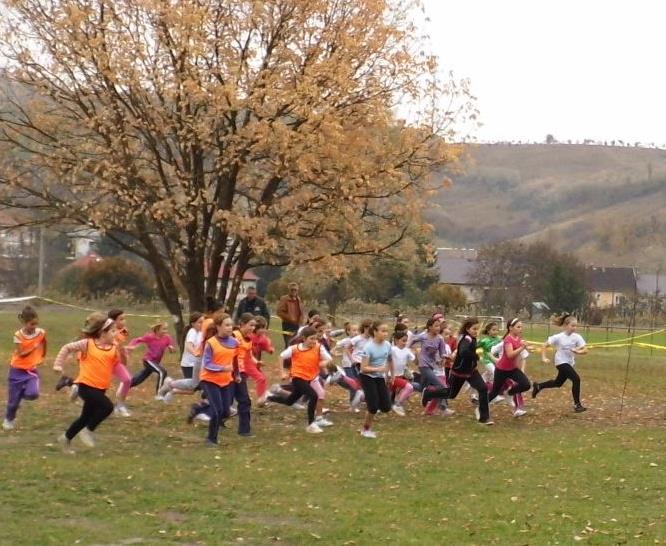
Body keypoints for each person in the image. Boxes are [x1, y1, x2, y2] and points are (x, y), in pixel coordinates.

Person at [53, 313, 123, 451]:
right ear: (103, 333)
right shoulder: (87, 344)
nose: (116, 334)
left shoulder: (113, 349)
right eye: (113, 331)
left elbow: (115, 365)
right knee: (107, 407)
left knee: (84, 417)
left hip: (101, 388)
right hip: (85, 385)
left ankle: (66, 438)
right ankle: (88, 430)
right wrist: (58, 364)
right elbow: (67, 348)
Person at [268, 326, 332, 434]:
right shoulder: (295, 348)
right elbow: (281, 356)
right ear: (304, 338)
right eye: (311, 338)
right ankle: (311, 424)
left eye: (315, 338)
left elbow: (329, 360)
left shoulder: (318, 347)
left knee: (290, 401)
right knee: (314, 395)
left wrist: (320, 364)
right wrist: (282, 372)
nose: (314, 341)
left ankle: (269, 397)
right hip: (297, 377)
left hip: (310, 377)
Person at [533, 313, 588, 412]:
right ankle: (577, 405)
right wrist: (544, 357)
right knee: (576, 379)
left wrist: (578, 351)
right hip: (560, 362)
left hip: (570, 362)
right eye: (572, 325)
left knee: (558, 383)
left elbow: (585, 350)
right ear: (566, 325)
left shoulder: (577, 337)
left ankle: (538, 386)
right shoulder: (559, 337)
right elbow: (544, 345)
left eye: (576, 326)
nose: (574, 328)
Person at [3, 305, 46, 431]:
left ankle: (22, 396)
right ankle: (9, 419)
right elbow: (21, 353)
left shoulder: (41, 332)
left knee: (33, 394)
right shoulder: (17, 335)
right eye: (32, 324)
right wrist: (34, 348)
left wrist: (42, 356)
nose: (34, 327)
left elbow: (44, 342)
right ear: (24, 322)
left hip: (31, 370)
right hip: (16, 369)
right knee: (13, 402)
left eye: (36, 324)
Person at [199, 313, 239, 446]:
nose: (229, 328)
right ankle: (211, 439)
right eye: (226, 325)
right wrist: (222, 368)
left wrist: (236, 374)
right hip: (209, 380)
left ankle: (201, 409)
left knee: (226, 412)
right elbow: (207, 364)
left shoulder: (234, 342)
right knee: (217, 411)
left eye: (231, 325)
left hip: (226, 381)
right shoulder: (211, 343)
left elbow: (235, 359)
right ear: (218, 327)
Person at [487, 318, 532, 416]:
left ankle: (509, 392)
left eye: (521, 327)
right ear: (511, 328)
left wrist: (528, 347)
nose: (521, 329)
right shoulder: (508, 339)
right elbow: (510, 354)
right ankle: (483, 405)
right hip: (501, 369)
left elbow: (521, 347)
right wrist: (522, 348)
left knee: (526, 384)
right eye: (518, 327)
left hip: (513, 369)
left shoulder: (518, 338)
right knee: (495, 392)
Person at [358, 321, 393, 439]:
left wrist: (391, 375)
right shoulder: (368, 347)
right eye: (383, 331)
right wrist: (379, 369)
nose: (385, 333)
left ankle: (363, 397)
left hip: (379, 377)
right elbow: (363, 368)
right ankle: (366, 429)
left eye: (387, 331)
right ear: (375, 332)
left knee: (386, 407)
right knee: (373, 407)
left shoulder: (388, 345)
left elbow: (390, 360)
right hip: (367, 377)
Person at [128, 321, 176, 399]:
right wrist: (131, 347)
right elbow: (137, 340)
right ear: (157, 330)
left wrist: (171, 348)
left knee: (141, 377)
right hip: (148, 360)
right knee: (162, 372)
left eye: (166, 329)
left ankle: (127, 385)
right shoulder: (150, 337)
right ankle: (159, 395)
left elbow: (172, 349)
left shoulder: (167, 338)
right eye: (163, 329)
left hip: (156, 362)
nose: (166, 331)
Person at [276, 282, 304, 347]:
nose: (293, 291)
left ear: (297, 290)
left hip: (297, 325)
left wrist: (301, 321)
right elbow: (279, 312)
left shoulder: (298, 299)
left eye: (295, 290)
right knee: (289, 344)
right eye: (292, 290)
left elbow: (301, 311)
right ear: (289, 290)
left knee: (296, 344)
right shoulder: (284, 299)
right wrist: (290, 318)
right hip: (287, 325)